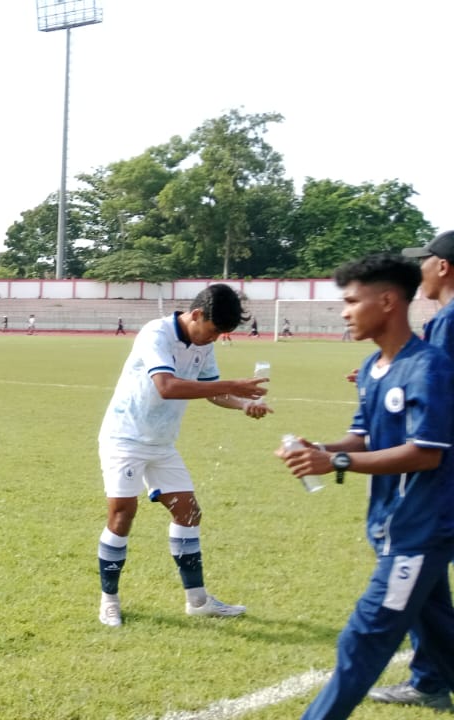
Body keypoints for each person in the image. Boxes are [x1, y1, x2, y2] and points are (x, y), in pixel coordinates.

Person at [276, 253, 454, 718]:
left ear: (389, 301)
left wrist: (334, 460)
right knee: (440, 634)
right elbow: (365, 434)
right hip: (390, 527)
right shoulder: (375, 366)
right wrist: (319, 447)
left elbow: (427, 451)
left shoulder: (429, 367)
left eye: (353, 300)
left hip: (418, 534)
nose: (344, 311)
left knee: (364, 638)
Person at [94, 283, 269, 627]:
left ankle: (198, 601)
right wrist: (231, 386)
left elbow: (213, 392)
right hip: (125, 436)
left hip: (161, 444)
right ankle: (109, 601)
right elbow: (168, 386)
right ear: (198, 314)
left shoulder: (203, 344)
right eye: (215, 330)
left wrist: (245, 404)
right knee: (122, 515)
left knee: (188, 513)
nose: (215, 338)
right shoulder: (155, 333)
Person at [364, 233, 454, 710]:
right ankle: (431, 678)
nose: (420, 270)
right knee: (430, 585)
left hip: (435, 475)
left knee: (412, 568)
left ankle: (430, 679)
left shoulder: (447, 324)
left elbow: (436, 396)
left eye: (426, 262)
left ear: (443, 267)